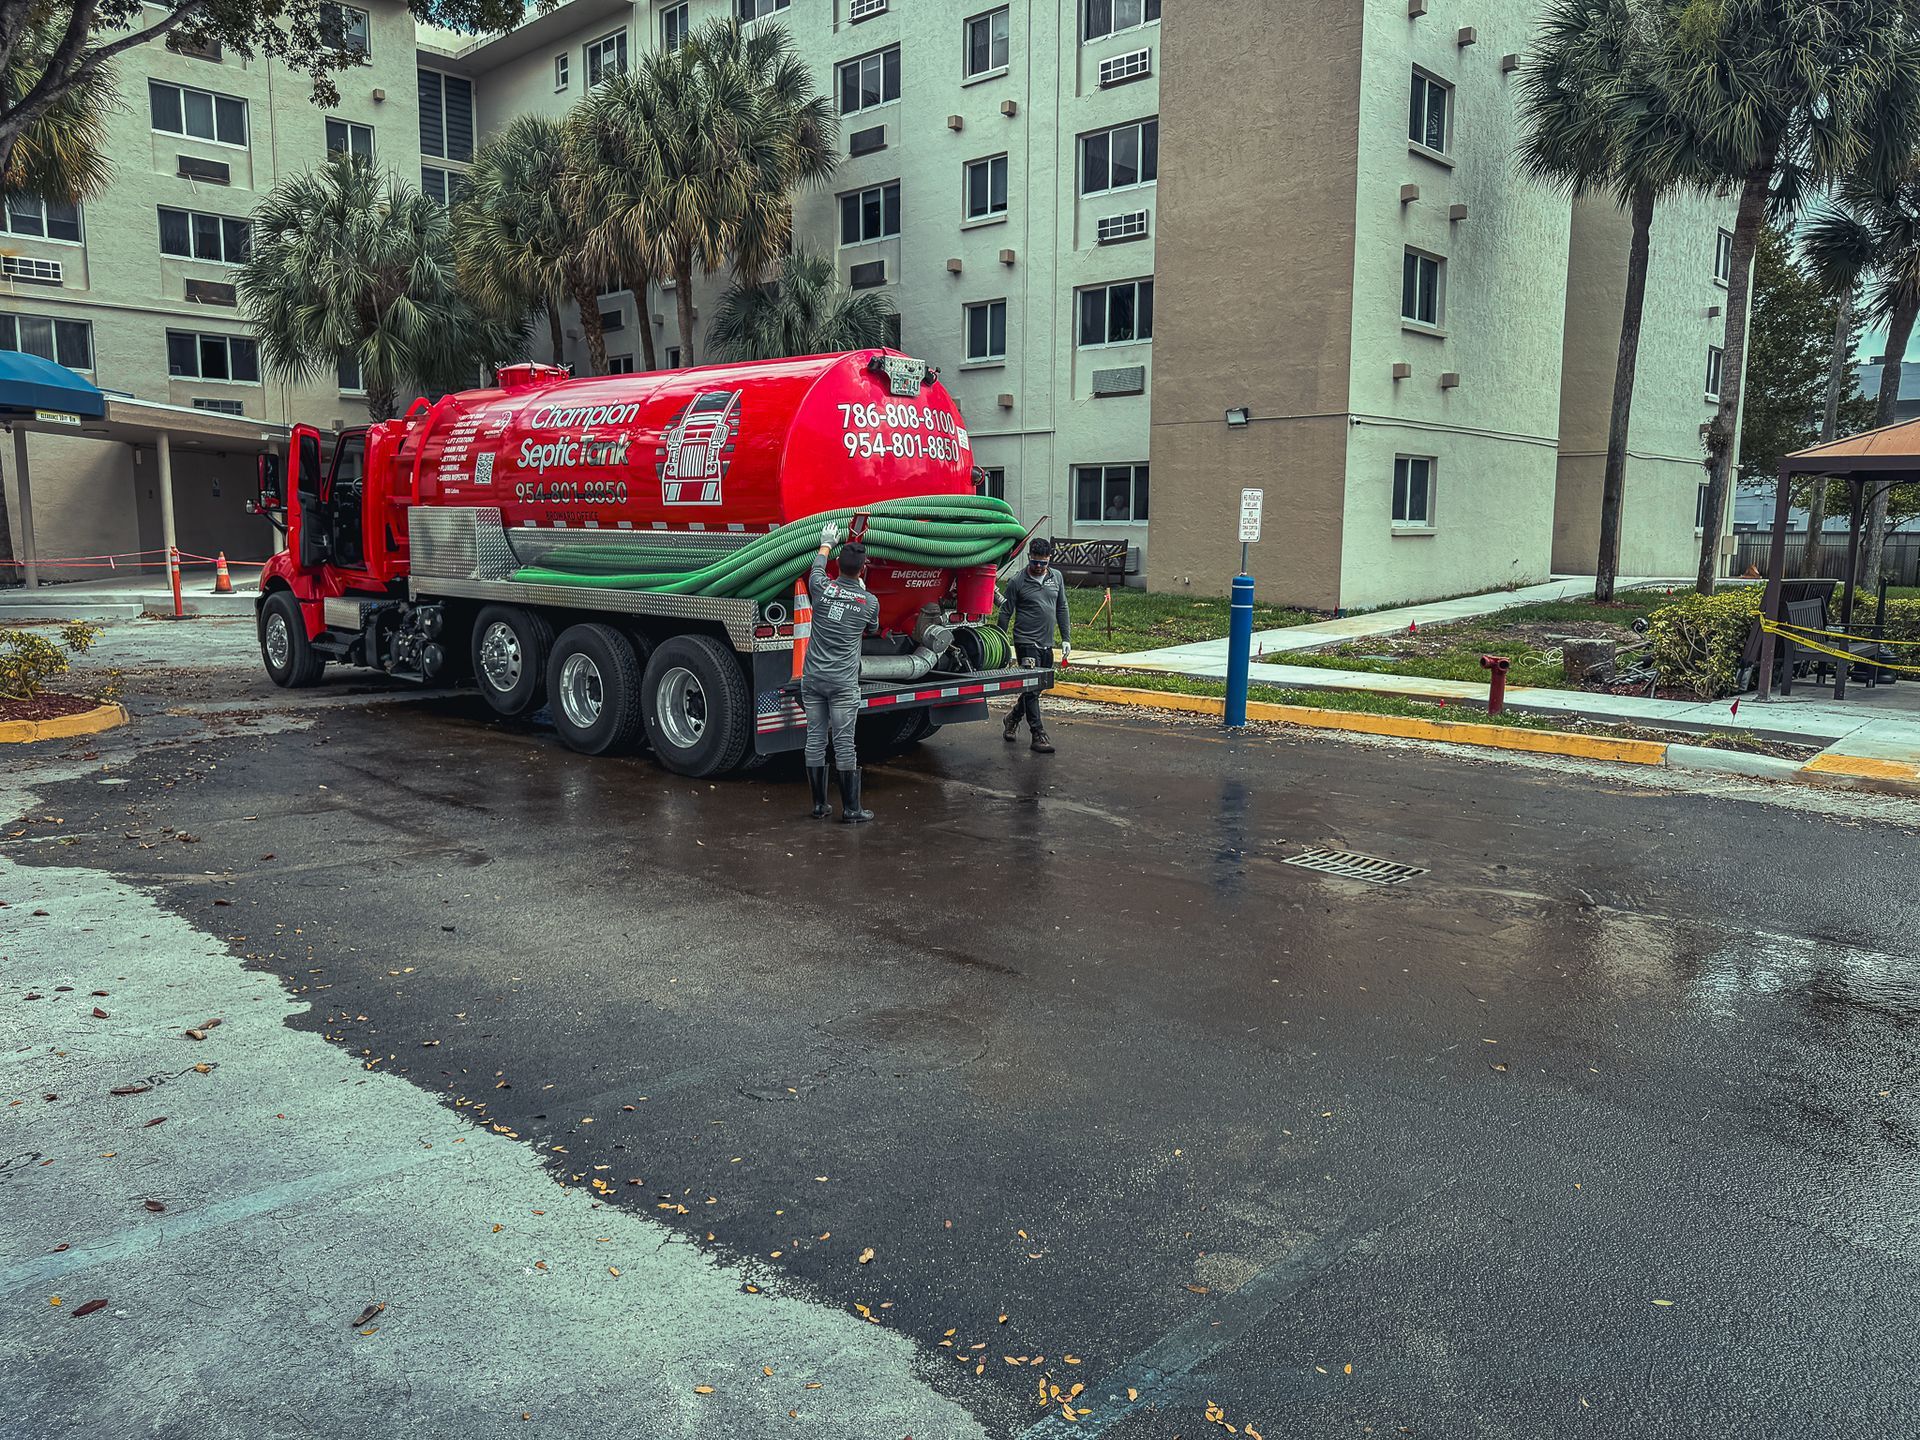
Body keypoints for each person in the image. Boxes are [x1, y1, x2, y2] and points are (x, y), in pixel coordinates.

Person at [802, 520, 880, 823]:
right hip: (843, 684)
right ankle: (851, 809)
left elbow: (818, 566)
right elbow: (872, 628)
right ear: (862, 569)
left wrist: (826, 542)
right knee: (844, 742)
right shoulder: (869, 602)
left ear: (838, 565)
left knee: (815, 738)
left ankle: (820, 806)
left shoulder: (820, 588)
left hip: (813, 680)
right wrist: (860, 592)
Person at [997, 536, 1072, 753]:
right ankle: (1037, 734)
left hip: (1047, 642)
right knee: (1030, 687)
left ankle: (1012, 718)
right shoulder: (1017, 581)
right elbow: (1005, 613)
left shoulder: (1056, 577)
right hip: (1025, 641)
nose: (1038, 567)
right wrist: (1002, 644)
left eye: (1043, 563)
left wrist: (1066, 638)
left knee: (1038, 688)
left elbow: (1062, 608)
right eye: (1034, 562)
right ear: (1029, 558)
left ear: (1049, 560)